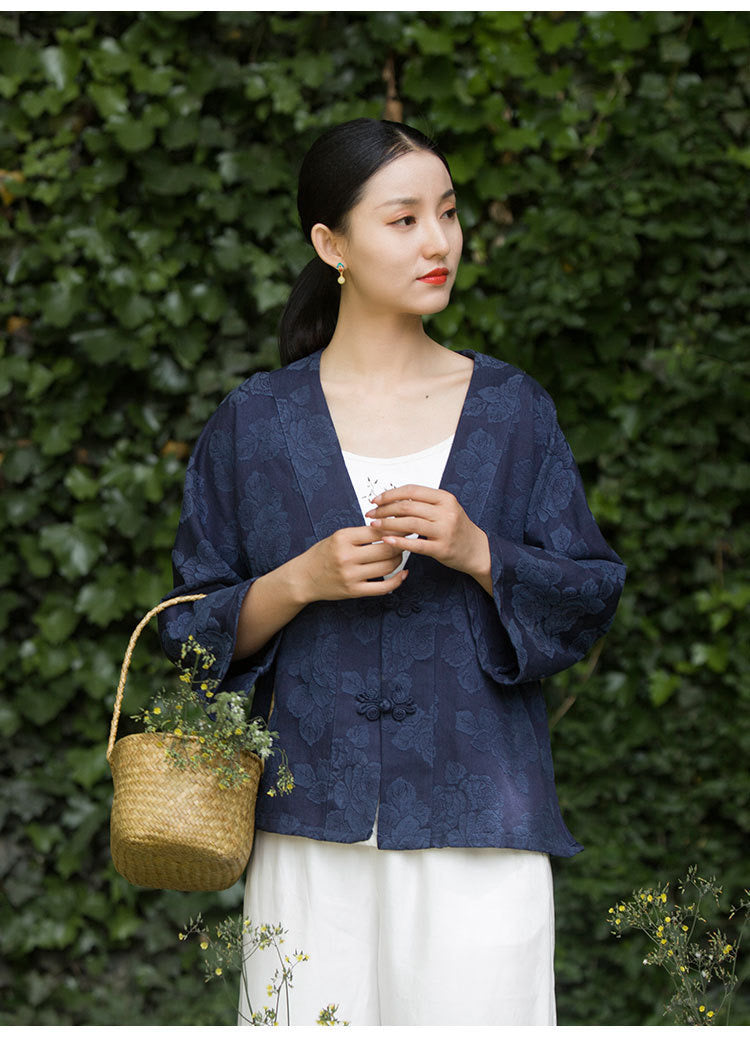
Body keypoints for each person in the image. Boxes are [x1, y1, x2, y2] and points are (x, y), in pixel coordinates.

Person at [160, 118, 625, 1026]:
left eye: (447, 213)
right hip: (306, 822)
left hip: (479, 825)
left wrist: (481, 552)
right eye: (404, 219)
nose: (438, 242)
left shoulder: (512, 411)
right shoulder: (255, 422)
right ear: (330, 244)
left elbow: (588, 597)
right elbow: (186, 630)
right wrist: (298, 581)